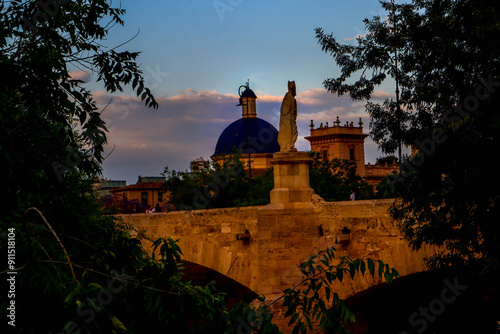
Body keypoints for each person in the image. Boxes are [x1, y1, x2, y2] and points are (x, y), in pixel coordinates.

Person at [278, 81, 298, 151]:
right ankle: (290, 145)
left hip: (288, 120)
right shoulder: (290, 98)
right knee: (293, 131)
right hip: (289, 120)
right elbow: (292, 111)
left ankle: (289, 145)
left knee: (293, 131)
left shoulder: (287, 97)